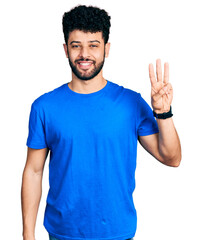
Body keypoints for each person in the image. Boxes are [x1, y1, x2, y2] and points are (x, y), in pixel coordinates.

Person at [21, 5, 181, 240]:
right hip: (62, 234)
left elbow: (172, 158)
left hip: (117, 233)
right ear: (66, 49)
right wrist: (27, 235)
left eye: (93, 45)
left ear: (106, 49)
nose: (84, 54)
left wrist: (163, 113)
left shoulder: (131, 103)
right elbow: (33, 171)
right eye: (76, 45)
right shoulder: (44, 107)